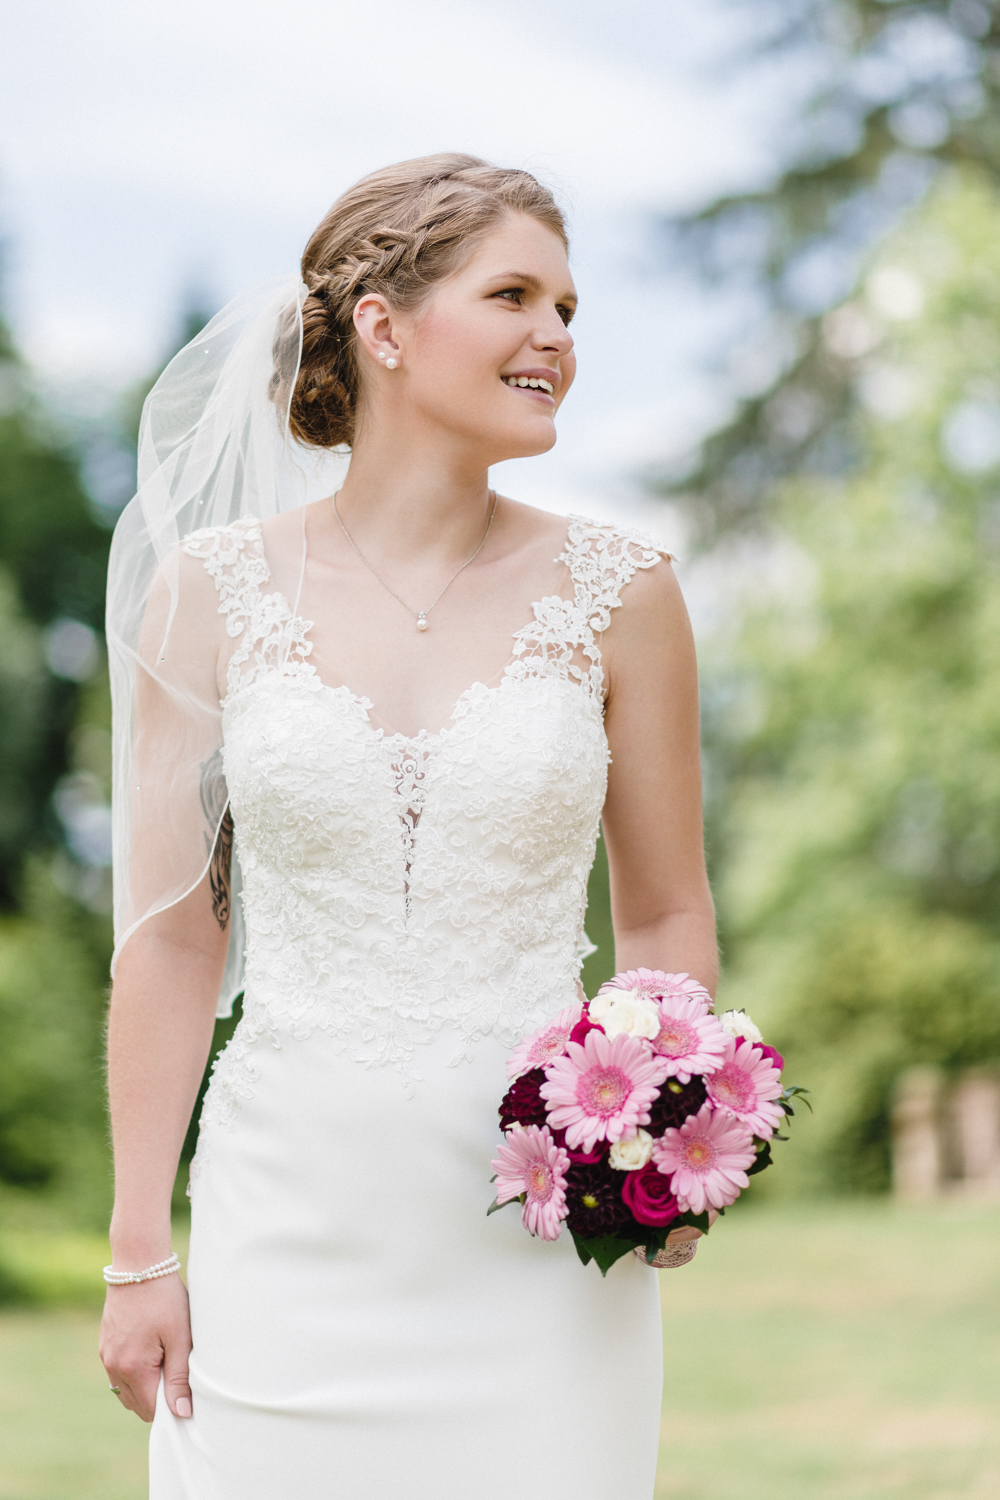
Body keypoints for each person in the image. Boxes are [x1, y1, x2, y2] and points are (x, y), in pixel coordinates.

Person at [98, 153, 717, 1500]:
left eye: (567, 308)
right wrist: (141, 1245)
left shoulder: (628, 595)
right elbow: (168, 944)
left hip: (541, 1237)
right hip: (286, 1219)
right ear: (382, 326)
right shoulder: (209, 595)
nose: (554, 336)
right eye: (513, 296)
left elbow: (664, 907)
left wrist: (662, 1138)